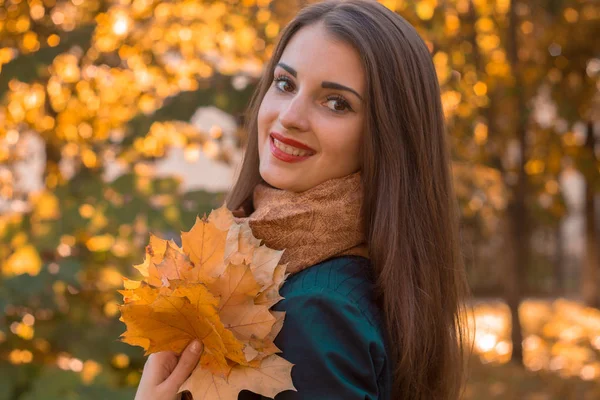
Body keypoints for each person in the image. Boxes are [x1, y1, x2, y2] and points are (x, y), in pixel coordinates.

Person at [135, 0, 471, 399]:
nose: (290, 115)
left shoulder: (315, 311)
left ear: (387, 138)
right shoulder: (361, 281)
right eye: (285, 83)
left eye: (336, 103)